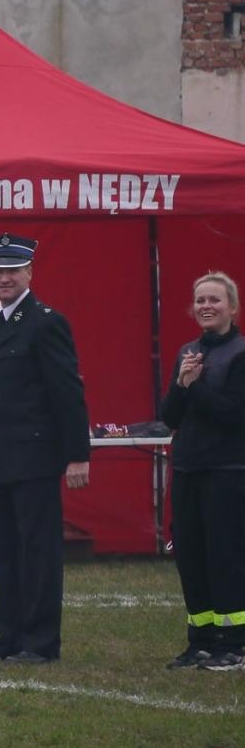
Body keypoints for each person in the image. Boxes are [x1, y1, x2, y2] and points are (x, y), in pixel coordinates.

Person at [0, 234, 90, 665]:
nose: (4, 278)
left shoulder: (46, 322)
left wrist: (78, 454)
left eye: (12, 270)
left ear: (29, 273)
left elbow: (67, 392)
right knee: (1, 551)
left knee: (37, 550)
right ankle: (9, 637)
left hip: (35, 456)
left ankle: (41, 641)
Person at [159, 271, 245, 670]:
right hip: (188, 469)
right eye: (200, 300)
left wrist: (197, 387)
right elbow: (169, 417)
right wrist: (180, 384)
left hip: (227, 471)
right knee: (191, 557)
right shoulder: (187, 352)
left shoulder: (240, 354)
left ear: (232, 307)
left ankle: (235, 642)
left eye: (214, 300)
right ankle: (202, 640)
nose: (206, 306)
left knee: (225, 556)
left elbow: (235, 416)